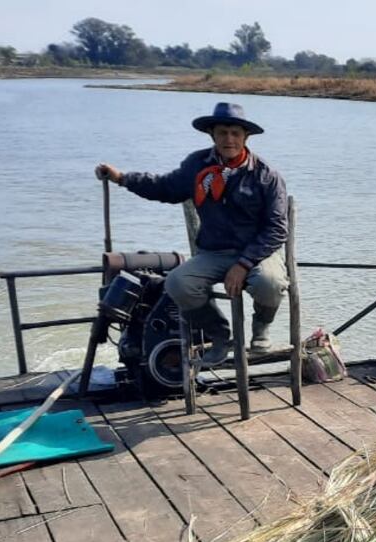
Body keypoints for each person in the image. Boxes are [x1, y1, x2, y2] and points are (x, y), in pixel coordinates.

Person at [95, 102, 288, 365]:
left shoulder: (266, 175)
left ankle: (261, 328)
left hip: (258, 252)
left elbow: (277, 229)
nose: (229, 139)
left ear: (246, 137)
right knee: (177, 283)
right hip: (215, 252)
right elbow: (164, 187)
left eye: (235, 133)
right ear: (212, 135)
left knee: (270, 283)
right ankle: (219, 335)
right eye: (222, 133)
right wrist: (122, 178)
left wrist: (244, 264)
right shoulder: (197, 165)